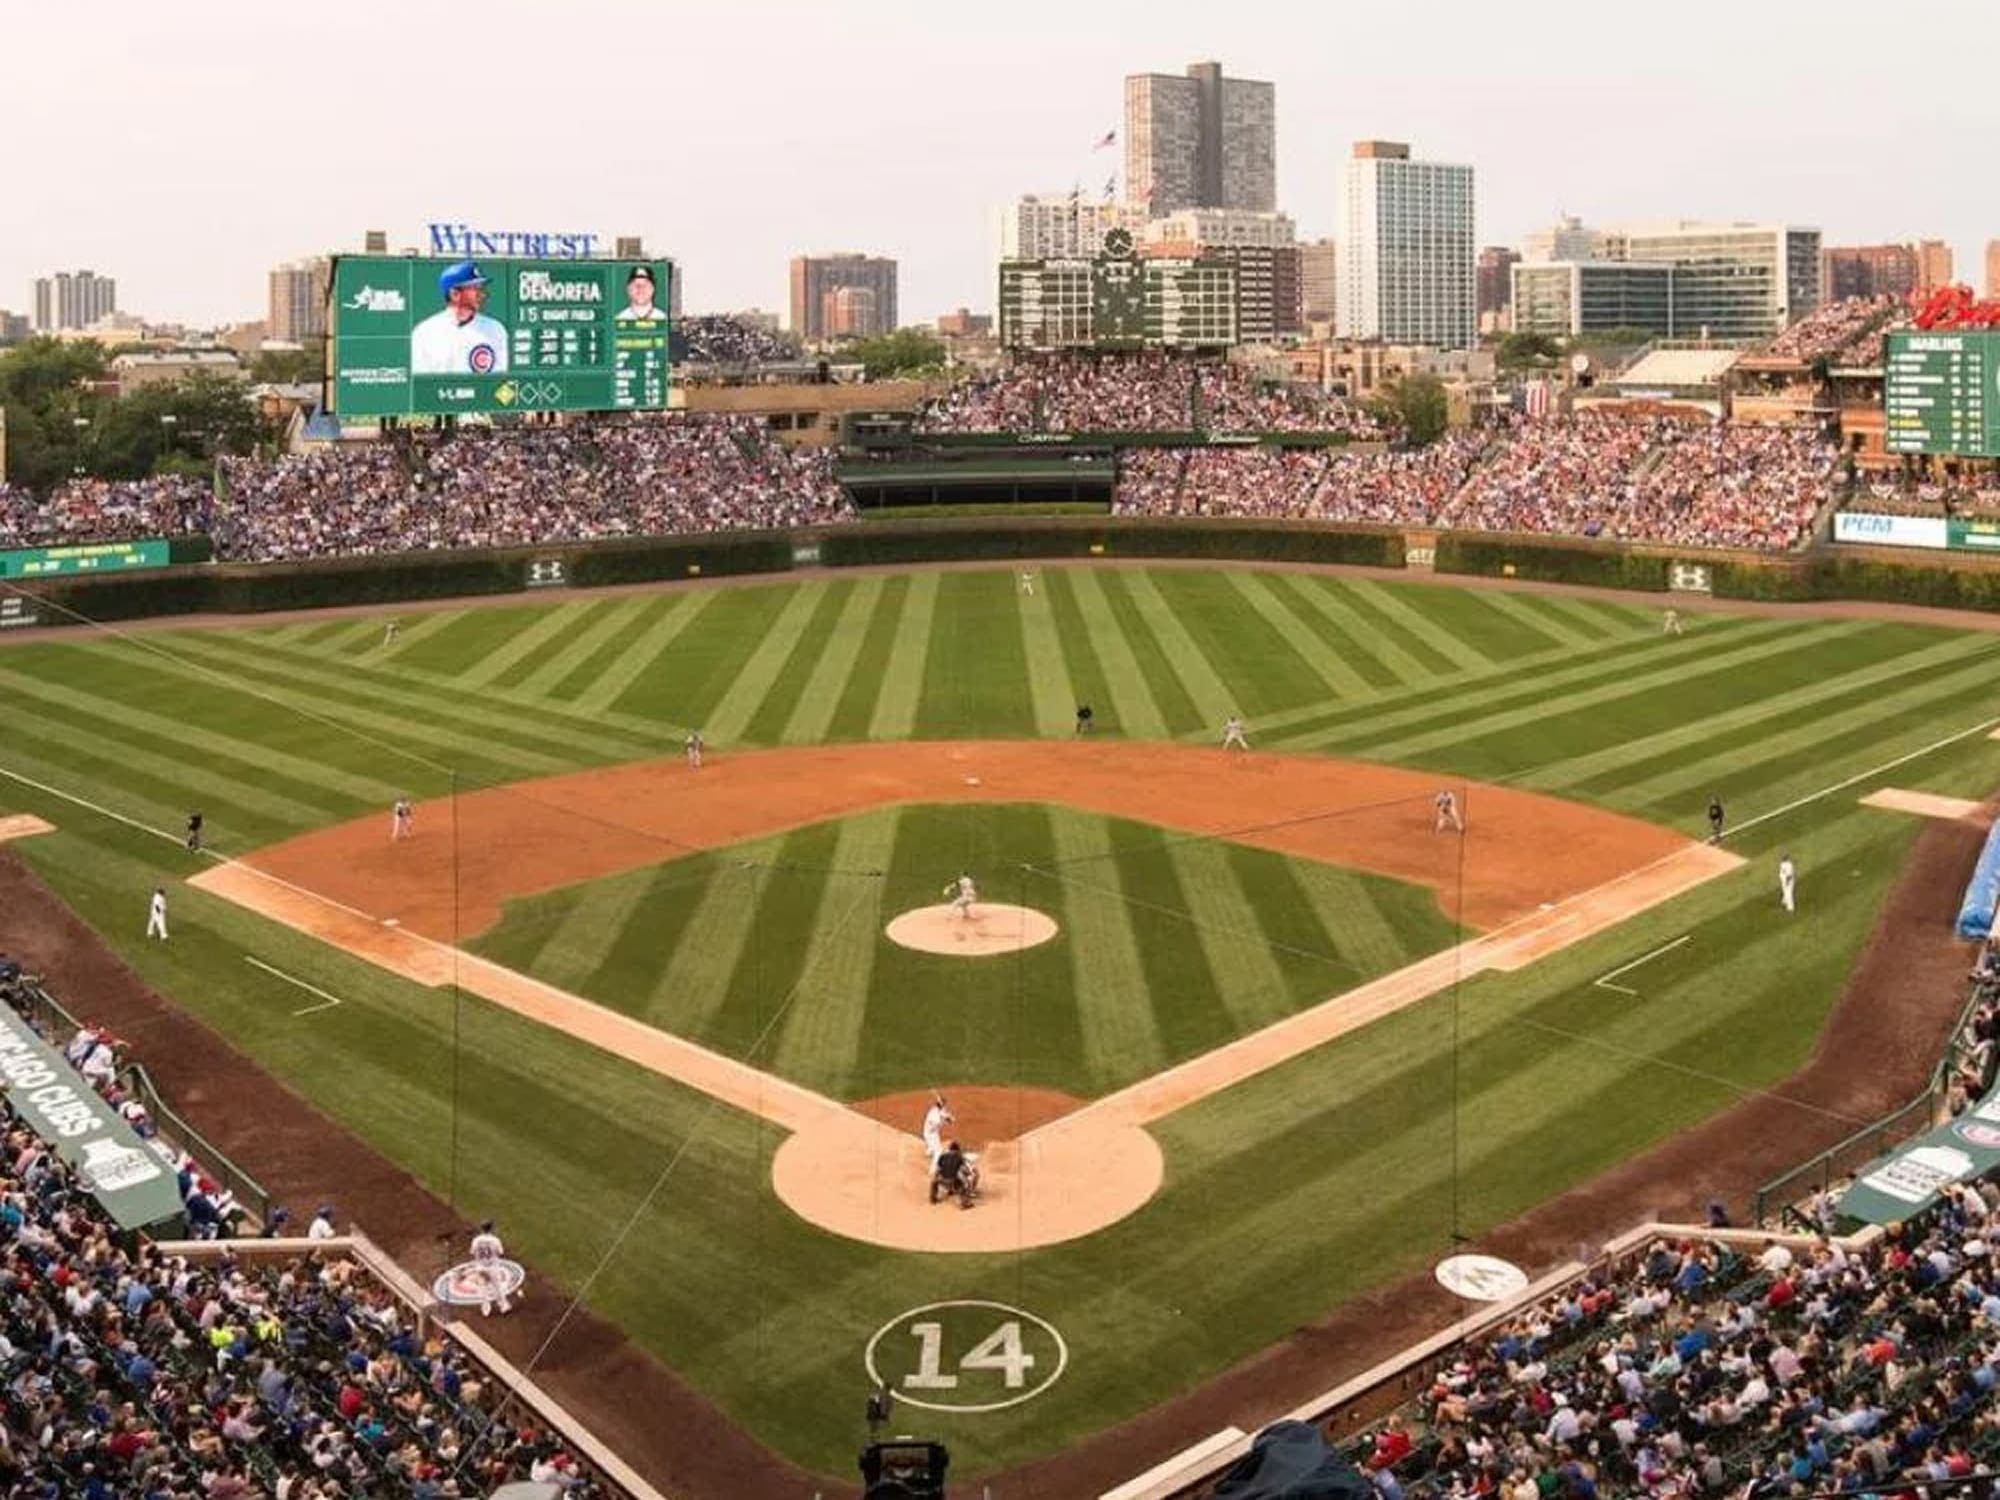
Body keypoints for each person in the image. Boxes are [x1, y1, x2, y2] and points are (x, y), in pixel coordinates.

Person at [409, 260, 509, 376]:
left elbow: (499, 380)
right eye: (474, 288)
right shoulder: (425, 332)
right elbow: (421, 383)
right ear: (455, 294)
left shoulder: (495, 329)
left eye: (480, 288)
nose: (481, 294)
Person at [469, 1220, 513, 1316]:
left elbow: (472, 1252)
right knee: (497, 1287)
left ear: (482, 1228)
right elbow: (501, 1253)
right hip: (492, 1268)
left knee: (483, 1288)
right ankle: (504, 1307)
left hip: (480, 1267)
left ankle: (486, 1310)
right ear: (491, 1228)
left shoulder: (476, 1240)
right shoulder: (495, 1240)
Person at [930, 1140, 971, 1208]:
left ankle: (933, 1199)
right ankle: (964, 1203)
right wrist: (967, 1176)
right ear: (957, 1149)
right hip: (953, 1181)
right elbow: (964, 1169)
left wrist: (935, 1179)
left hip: (942, 1180)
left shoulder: (942, 1156)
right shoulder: (959, 1156)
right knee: (962, 1185)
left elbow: (937, 1170)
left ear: (950, 1149)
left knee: (933, 1182)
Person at [921, 1097, 953, 1170]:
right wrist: (947, 1120)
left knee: (937, 1145)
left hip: (934, 1134)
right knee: (938, 1152)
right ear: (941, 1105)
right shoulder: (934, 1116)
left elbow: (943, 1113)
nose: (945, 1106)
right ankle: (932, 1169)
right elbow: (938, 1123)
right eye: (944, 1105)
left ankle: (929, 1151)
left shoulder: (936, 1109)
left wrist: (948, 1117)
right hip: (929, 1135)